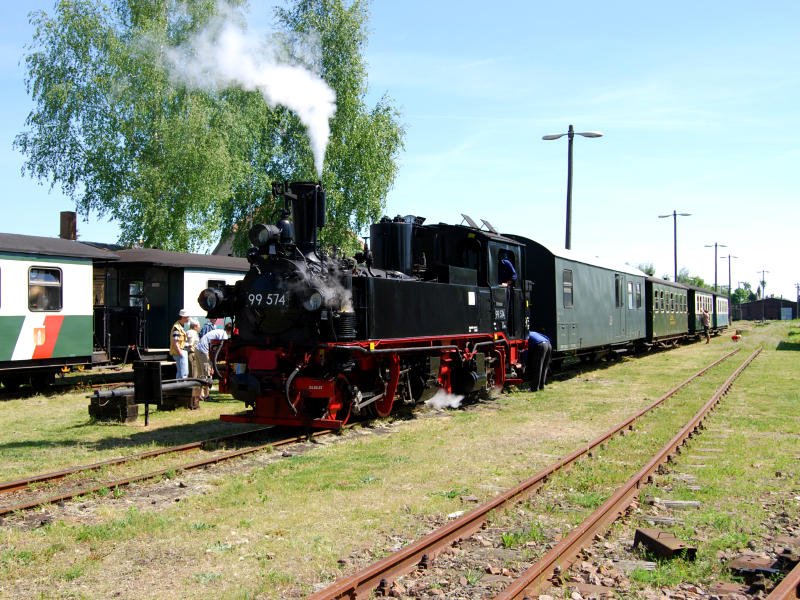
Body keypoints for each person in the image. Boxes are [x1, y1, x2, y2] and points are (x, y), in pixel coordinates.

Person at [170, 309, 190, 378]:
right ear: (183, 317)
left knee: (181, 373)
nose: (189, 318)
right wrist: (181, 354)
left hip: (181, 351)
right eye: (187, 317)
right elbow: (175, 342)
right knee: (183, 373)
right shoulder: (177, 328)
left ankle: (179, 387)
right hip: (180, 352)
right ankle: (182, 387)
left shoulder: (180, 326)